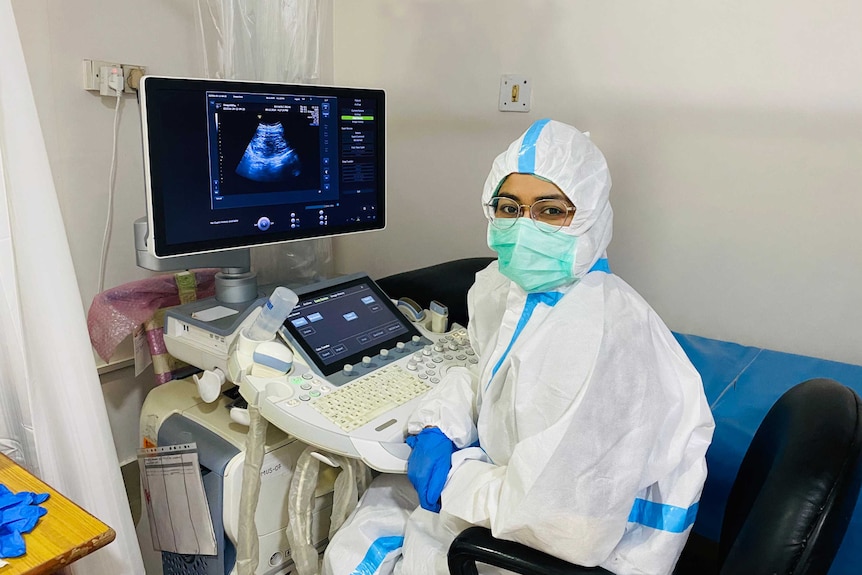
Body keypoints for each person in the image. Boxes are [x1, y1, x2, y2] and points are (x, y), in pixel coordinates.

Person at [322, 119, 715, 575]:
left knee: (359, 550)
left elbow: (569, 526)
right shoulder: (507, 289)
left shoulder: (605, 336)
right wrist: (440, 425)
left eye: (550, 211)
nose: (525, 227)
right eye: (509, 207)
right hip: (518, 491)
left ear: (589, 215)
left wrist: (454, 476)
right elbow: (488, 370)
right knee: (376, 507)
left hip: (579, 547)